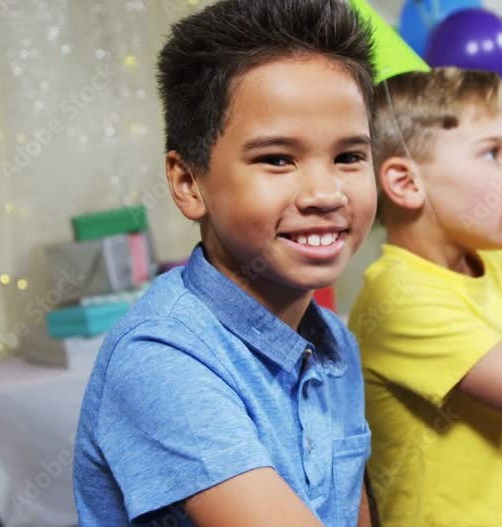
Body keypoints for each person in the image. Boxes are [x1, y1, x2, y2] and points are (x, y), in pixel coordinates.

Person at [73, 1, 377, 524]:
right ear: (189, 183)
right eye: (278, 159)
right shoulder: (163, 357)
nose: (326, 192)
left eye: (349, 156)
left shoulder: (334, 341)